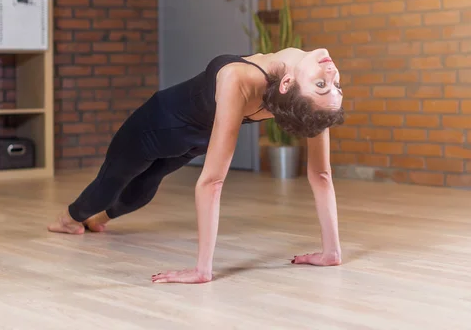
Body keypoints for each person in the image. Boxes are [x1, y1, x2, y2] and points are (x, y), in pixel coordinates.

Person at [48, 47, 345, 284]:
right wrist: (322, 87)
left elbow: (319, 173)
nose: (330, 73)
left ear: (288, 85)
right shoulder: (273, 79)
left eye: (325, 85)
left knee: (144, 188)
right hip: (156, 124)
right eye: (332, 85)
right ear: (286, 83)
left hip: (191, 141)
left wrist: (331, 252)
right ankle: (70, 218)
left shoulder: (296, 100)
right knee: (111, 182)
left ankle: (98, 219)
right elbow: (214, 181)